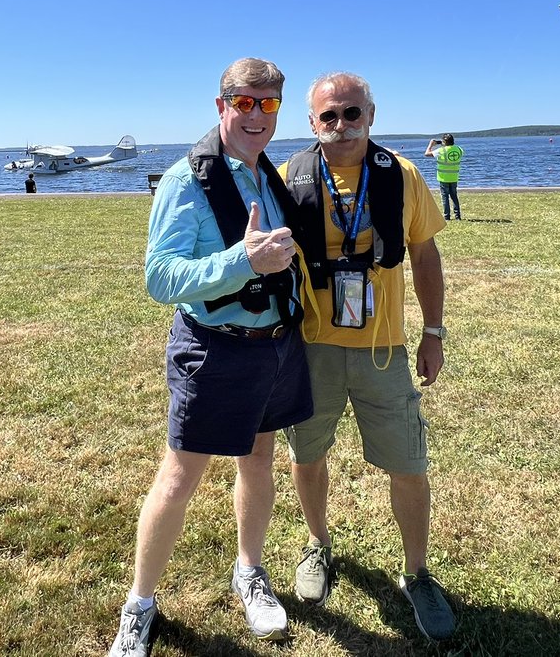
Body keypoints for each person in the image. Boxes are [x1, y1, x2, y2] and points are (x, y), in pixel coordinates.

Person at [108, 58, 312, 657]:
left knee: (259, 459)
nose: (256, 115)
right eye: (244, 102)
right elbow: (160, 278)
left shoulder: (266, 177)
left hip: (275, 345)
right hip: (214, 350)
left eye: (268, 104)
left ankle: (249, 573)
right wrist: (242, 262)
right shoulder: (185, 182)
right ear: (221, 105)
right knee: (179, 477)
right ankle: (139, 605)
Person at [279, 72, 455, 642]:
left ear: (371, 116)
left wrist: (433, 333)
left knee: (408, 463)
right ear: (311, 123)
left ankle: (417, 573)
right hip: (311, 349)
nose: (340, 126)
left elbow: (425, 258)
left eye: (351, 114)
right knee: (308, 454)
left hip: (385, 352)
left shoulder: (400, 175)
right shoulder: (291, 176)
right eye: (328, 117)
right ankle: (317, 544)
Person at [423, 133, 464, 220]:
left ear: (444, 142)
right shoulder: (459, 149)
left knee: (445, 197)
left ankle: (447, 216)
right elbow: (451, 149)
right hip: (454, 177)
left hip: (443, 177)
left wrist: (431, 144)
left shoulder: (441, 150)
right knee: (454, 196)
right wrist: (444, 144)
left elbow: (426, 154)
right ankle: (458, 216)